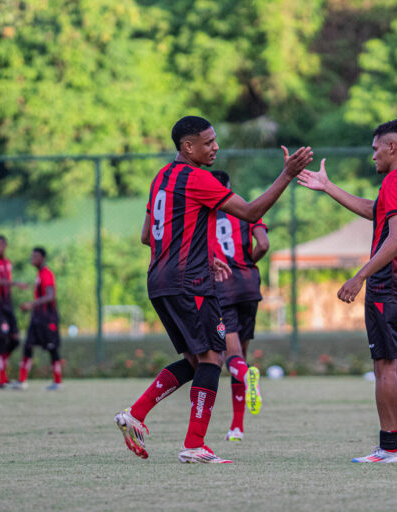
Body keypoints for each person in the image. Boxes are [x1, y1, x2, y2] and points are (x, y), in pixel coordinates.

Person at [114, 115, 312, 464]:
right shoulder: (196, 179)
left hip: (159, 281)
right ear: (187, 147)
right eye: (208, 142)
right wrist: (287, 174)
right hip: (188, 284)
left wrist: (198, 257)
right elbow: (251, 213)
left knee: (195, 360)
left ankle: (137, 414)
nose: (215, 147)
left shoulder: (162, 177)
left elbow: (148, 236)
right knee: (212, 357)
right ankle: (194, 443)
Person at [297, 119, 397, 464]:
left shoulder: (393, 181)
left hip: (389, 285)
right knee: (393, 356)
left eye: (376, 148)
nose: (372, 155)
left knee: (384, 366)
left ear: (393, 147)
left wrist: (359, 276)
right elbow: (377, 212)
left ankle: (389, 448)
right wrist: (328, 187)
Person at [211, 170, 268, 442]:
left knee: (231, 358)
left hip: (223, 287)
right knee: (241, 357)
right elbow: (264, 244)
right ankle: (237, 427)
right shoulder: (247, 207)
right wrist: (248, 261)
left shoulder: (206, 212)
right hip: (249, 285)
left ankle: (247, 378)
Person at [12, 247, 63, 391]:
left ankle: (58, 382)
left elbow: (50, 295)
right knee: (28, 345)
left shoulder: (47, 274)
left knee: (52, 348)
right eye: (32, 256)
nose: (32, 258)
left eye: (35, 256)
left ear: (42, 258)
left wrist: (31, 304)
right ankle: (22, 381)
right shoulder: (39, 274)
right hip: (37, 318)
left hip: (48, 318)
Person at [0, 235, 27, 389]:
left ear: (6, 246)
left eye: (1, 245)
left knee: (15, 340)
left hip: (8, 305)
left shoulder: (8, 263)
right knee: (2, 339)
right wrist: (15, 283)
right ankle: (2, 378)